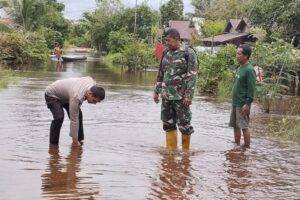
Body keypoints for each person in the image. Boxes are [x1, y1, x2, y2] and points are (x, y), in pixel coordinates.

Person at [153, 28, 199, 151]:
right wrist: (156, 91)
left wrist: (189, 95)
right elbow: (161, 73)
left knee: (184, 125)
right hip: (166, 96)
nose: (166, 43)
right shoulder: (166, 52)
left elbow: (192, 75)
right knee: (168, 124)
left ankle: (185, 153)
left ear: (177, 39)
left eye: (168, 40)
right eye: (165, 40)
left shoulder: (188, 53)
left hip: (181, 97)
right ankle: (170, 153)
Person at [45, 76, 105, 147]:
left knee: (79, 115)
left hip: (67, 96)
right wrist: (74, 141)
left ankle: (80, 140)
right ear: (90, 93)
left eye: (97, 102)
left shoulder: (92, 83)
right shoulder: (77, 96)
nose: (94, 103)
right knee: (59, 117)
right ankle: (53, 146)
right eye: (94, 101)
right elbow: (74, 120)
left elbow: (89, 78)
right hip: (52, 95)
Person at [229, 44, 256, 148]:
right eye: (237, 53)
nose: (236, 55)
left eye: (239, 54)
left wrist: (247, 104)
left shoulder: (249, 70)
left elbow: (251, 88)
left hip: (242, 103)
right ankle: (236, 147)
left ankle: (246, 149)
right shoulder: (240, 67)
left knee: (244, 126)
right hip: (235, 102)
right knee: (235, 126)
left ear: (246, 56)